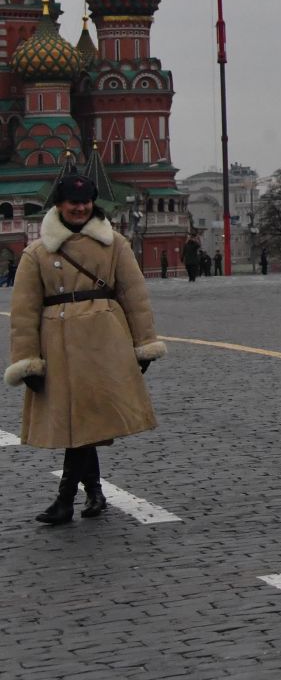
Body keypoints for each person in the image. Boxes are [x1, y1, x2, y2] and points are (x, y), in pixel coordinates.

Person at [6, 175, 166, 524]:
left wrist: (143, 345)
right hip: (58, 345)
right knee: (79, 422)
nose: (79, 208)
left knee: (84, 421)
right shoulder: (37, 253)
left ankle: (66, 499)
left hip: (103, 343)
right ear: (59, 205)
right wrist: (27, 361)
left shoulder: (115, 245)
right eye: (72, 202)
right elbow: (23, 312)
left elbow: (134, 296)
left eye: (85, 202)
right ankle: (91, 492)